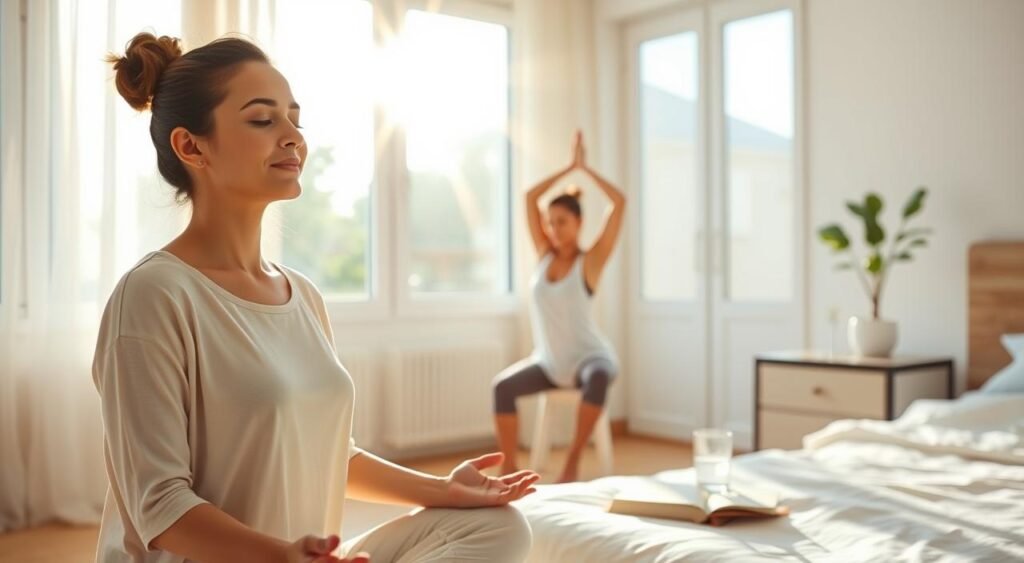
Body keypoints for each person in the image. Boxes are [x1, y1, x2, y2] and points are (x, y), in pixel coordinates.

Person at [94, 32, 536, 563]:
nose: (293, 138)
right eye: (263, 120)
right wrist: (282, 556)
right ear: (191, 146)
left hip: (302, 556)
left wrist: (445, 489)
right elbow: (161, 508)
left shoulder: (300, 294)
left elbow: (330, 455)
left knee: (497, 527)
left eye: (294, 119)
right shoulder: (152, 296)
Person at [492, 131, 626, 483]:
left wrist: (586, 170)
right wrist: (568, 168)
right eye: (550, 222)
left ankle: (572, 463)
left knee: (598, 378)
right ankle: (508, 468)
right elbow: (529, 196)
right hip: (549, 362)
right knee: (501, 387)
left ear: (579, 223)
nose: (553, 229)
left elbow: (620, 202)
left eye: (561, 222)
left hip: (589, 357)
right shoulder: (543, 255)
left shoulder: (590, 262)